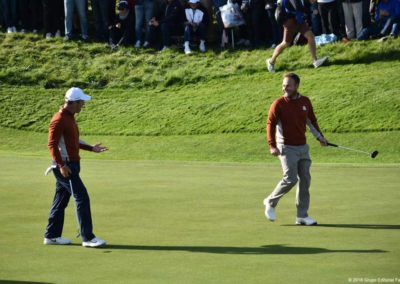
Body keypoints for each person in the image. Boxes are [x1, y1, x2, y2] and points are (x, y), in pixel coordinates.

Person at [44, 87, 108, 248]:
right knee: (82, 197)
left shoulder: (69, 117)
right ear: (74, 103)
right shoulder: (59, 119)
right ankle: (88, 238)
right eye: (81, 103)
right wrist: (61, 165)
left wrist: (91, 148)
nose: (83, 106)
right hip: (66, 167)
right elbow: (51, 145)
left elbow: (72, 142)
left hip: (70, 164)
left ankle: (51, 235)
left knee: (60, 200)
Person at [263, 73, 328, 225]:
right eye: (284, 85)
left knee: (305, 179)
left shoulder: (305, 102)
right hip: (286, 147)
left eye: (288, 85)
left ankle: (302, 216)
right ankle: (270, 202)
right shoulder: (278, 104)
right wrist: (272, 145)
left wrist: (320, 138)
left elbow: (311, 122)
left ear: (296, 86)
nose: (285, 87)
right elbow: (270, 124)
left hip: (302, 147)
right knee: (291, 179)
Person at [266, 0, 328, 72]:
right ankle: (271, 61)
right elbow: (292, 7)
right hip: (289, 21)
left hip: (299, 20)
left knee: (310, 36)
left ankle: (315, 61)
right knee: (286, 43)